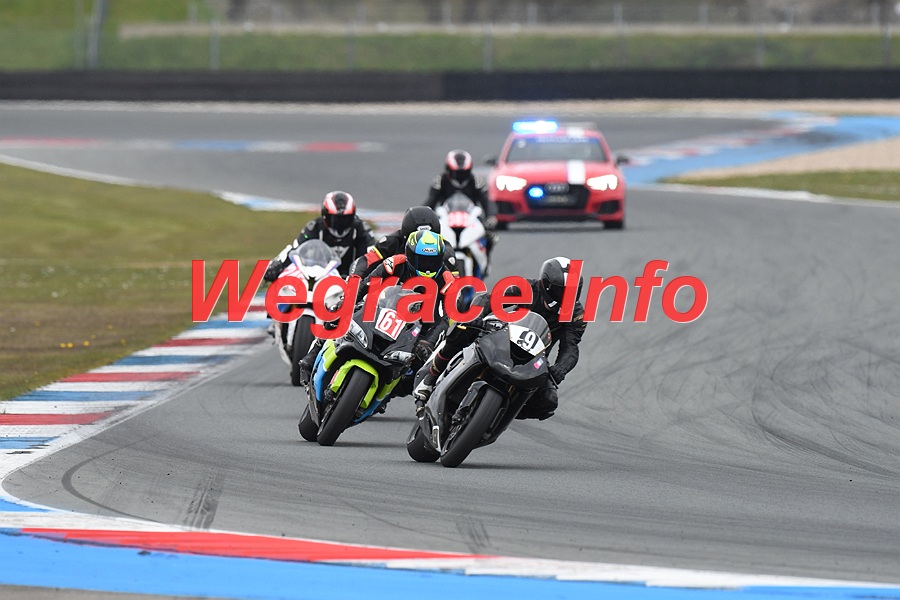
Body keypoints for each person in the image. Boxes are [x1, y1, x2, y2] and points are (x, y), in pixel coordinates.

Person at [413, 256, 586, 421]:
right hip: (503, 337)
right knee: (462, 330)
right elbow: (489, 299)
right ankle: (430, 379)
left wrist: (561, 369)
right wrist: (477, 316)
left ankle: (497, 417)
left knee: (548, 401)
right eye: (561, 291)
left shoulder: (576, 315)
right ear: (545, 285)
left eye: (572, 292)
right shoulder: (526, 288)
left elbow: (570, 348)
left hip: (534, 357)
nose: (566, 297)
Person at [295, 229, 457, 388]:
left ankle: (402, 392)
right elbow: (367, 283)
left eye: (432, 261)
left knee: (423, 367)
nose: (427, 267)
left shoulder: (447, 280)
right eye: (421, 260)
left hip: (421, 325)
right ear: (410, 255)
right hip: (384, 308)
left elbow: (446, 318)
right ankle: (312, 356)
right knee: (338, 312)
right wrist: (348, 302)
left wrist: (428, 342)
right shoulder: (395, 263)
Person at [263, 191, 373, 282]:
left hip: (353, 281)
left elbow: (373, 253)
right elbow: (295, 249)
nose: (340, 225)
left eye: (345, 219)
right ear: (325, 216)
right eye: (336, 220)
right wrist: (278, 265)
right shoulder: (314, 227)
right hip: (320, 280)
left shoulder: (361, 229)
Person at [349, 205, 458, 280]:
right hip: (390, 297)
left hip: (431, 298)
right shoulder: (391, 242)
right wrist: (355, 278)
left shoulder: (445, 251)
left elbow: (455, 286)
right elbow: (366, 260)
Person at [426, 149, 498, 252]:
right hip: (446, 216)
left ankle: (485, 258)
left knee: (489, 236)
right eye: (456, 173)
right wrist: (424, 218)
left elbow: (487, 202)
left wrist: (491, 217)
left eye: (464, 173)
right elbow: (431, 202)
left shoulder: (476, 181)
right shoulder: (440, 181)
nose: (460, 177)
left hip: (471, 217)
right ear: (448, 170)